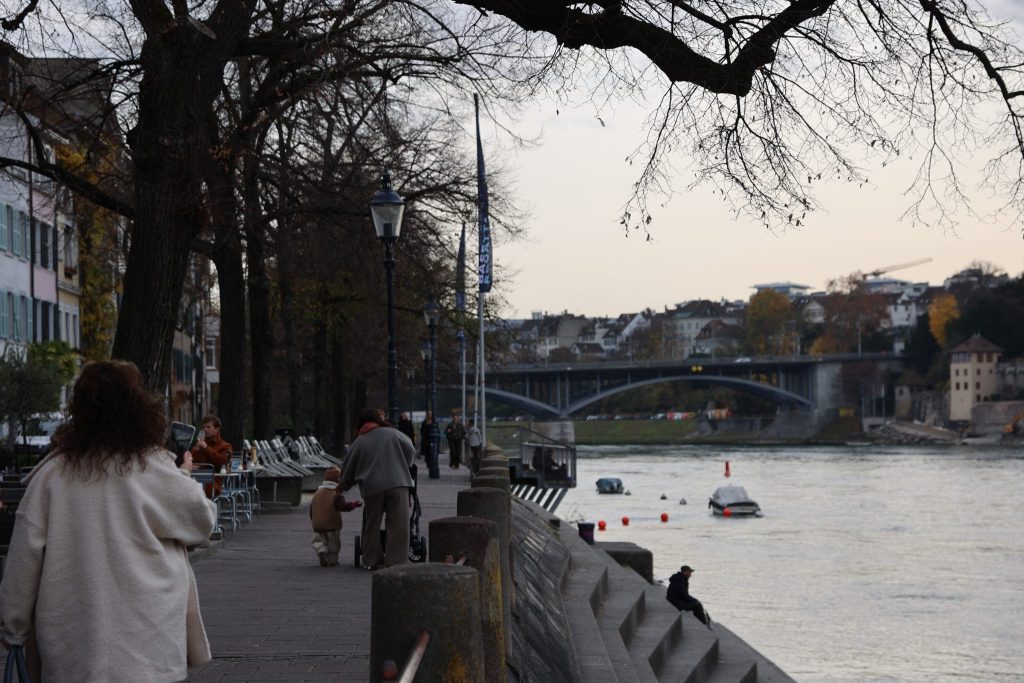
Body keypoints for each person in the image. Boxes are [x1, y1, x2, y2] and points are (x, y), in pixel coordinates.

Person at [0, 360, 218, 682]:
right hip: (148, 638)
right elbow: (201, 521)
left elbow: (23, 560)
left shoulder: (50, 477)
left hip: (74, 643)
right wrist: (183, 475)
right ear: (140, 407)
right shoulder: (153, 468)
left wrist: (13, 627)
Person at [339, 407, 417, 569]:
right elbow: (410, 447)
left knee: (372, 523)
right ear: (378, 420)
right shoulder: (393, 433)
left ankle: (372, 560)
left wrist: (343, 485)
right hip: (398, 483)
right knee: (399, 524)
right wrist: (406, 464)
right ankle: (396, 561)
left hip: (372, 487)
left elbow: (349, 465)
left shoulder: (360, 440)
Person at [310, 466, 362, 567]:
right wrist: (354, 504)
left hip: (318, 523)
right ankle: (332, 560)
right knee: (334, 543)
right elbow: (343, 506)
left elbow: (312, 508)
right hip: (332, 524)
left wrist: (313, 520)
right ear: (338, 480)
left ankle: (321, 550)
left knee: (319, 539)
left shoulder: (317, 492)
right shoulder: (336, 493)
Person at [190, 414, 233, 495]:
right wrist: (196, 449)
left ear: (217, 429)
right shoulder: (200, 445)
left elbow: (223, 462)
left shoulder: (225, 446)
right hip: (195, 480)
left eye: (208, 427)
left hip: (212, 483)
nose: (205, 430)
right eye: (204, 427)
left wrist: (206, 448)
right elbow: (191, 459)